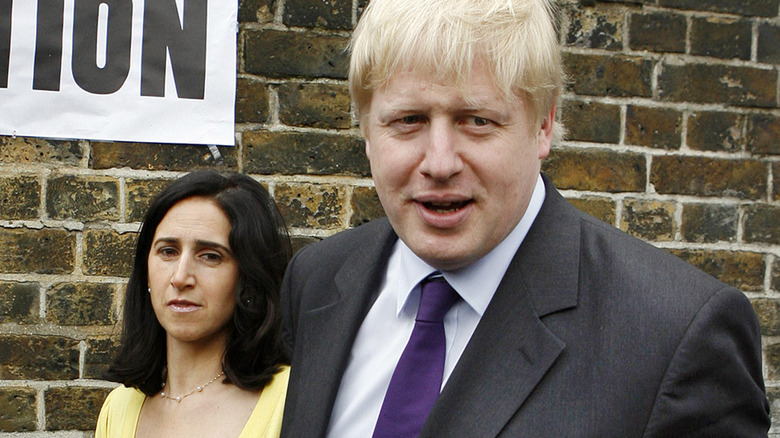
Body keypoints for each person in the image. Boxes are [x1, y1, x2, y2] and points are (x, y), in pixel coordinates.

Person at [279, 0, 770, 437]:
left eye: (477, 120)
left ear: (543, 126)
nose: (440, 161)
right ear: (367, 131)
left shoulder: (676, 335)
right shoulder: (317, 280)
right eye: (408, 120)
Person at [96, 170, 292, 438]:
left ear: (248, 276)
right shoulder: (119, 408)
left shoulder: (288, 398)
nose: (180, 277)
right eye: (168, 251)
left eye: (210, 256)